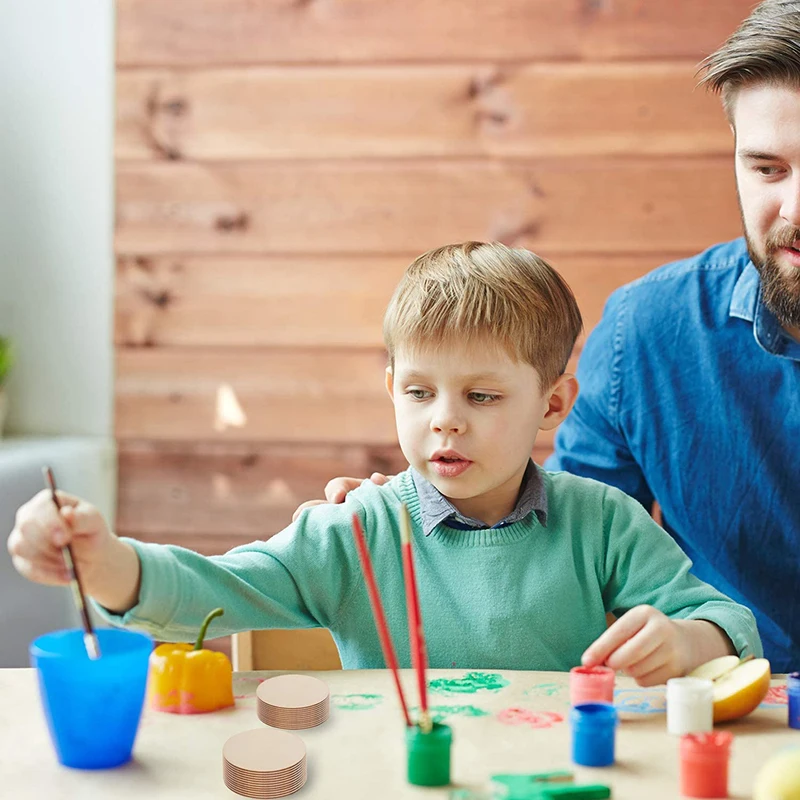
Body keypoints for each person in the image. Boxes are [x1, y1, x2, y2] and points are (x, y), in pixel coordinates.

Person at [7, 243, 761, 684]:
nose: (446, 419)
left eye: (484, 395)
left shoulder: (601, 522)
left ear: (555, 404)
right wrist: (103, 560)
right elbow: (213, 590)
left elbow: (727, 619)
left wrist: (689, 640)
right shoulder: (356, 527)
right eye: (419, 391)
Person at [306, 0, 800, 672]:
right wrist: (417, 505)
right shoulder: (645, 333)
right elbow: (551, 534)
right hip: (727, 721)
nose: (792, 210)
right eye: (767, 169)